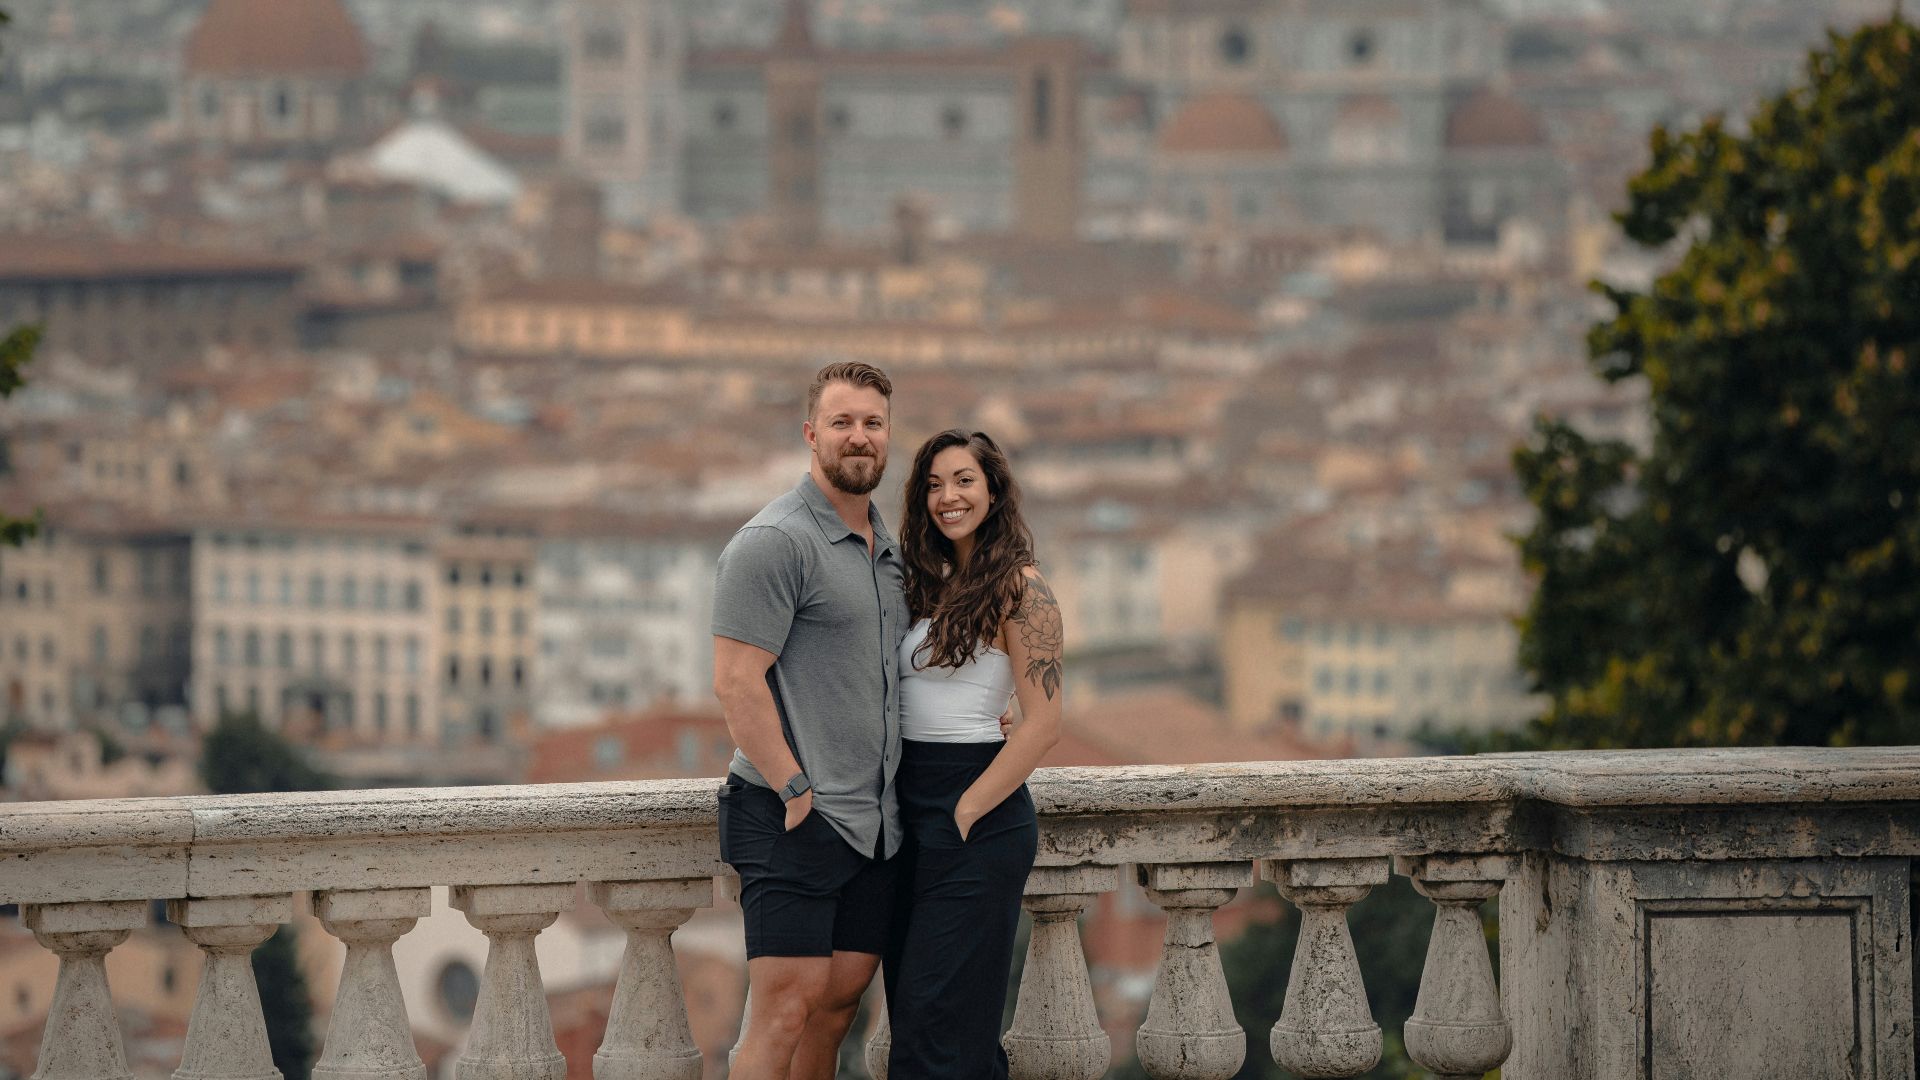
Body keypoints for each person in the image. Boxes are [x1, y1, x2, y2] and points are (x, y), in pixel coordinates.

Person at [711, 361, 909, 1080]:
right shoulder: (774, 542)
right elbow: (736, 683)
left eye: (873, 423)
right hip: (790, 812)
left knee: (836, 1007)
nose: (859, 437)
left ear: (888, 436)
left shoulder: (890, 553)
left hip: (871, 823)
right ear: (810, 434)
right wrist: (795, 789)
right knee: (783, 1012)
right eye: (842, 422)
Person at [885, 428, 1063, 1078]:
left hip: (975, 820)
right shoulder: (927, 586)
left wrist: (965, 812)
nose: (947, 496)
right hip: (906, 816)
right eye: (933, 484)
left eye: (963, 480)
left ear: (993, 489)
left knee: (934, 1029)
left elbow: (1043, 723)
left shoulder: (1023, 587)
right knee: (926, 1024)